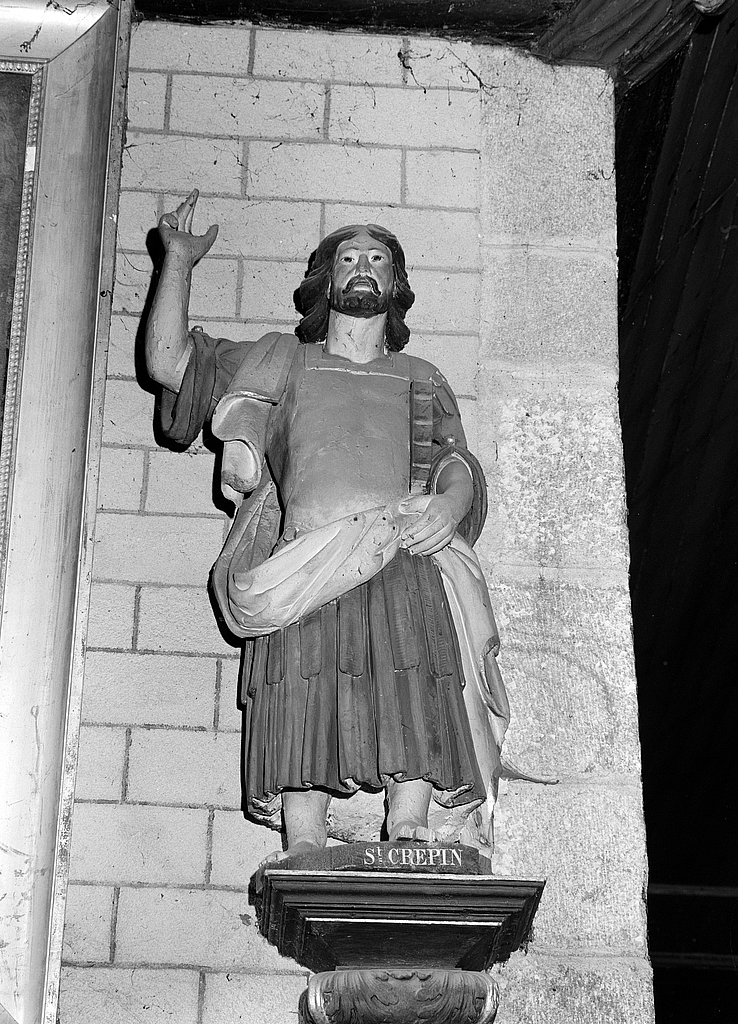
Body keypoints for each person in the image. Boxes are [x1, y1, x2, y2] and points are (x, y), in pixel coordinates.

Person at [145, 191, 515, 853]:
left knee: (412, 679)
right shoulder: (279, 361)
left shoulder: (420, 376)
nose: (363, 267)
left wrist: (450, 505)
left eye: (378, 258)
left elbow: (454, 462)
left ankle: (408, 823)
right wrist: (177, 262)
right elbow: (168, 363)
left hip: (399, 548)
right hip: (301, 561)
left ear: (396, 284)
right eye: (349, 258)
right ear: (329, 278)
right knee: (302, 689)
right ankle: (305, 837)